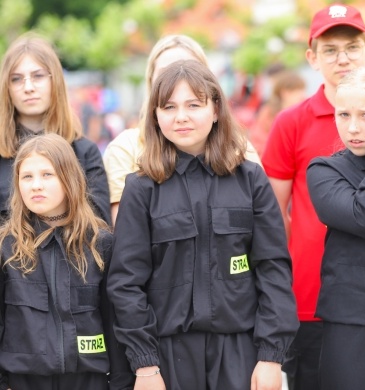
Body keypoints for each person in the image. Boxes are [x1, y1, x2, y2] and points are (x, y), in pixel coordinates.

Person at [107, 59, 299, 390]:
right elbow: (125, 283)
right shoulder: (140, 189)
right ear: (155, 116)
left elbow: (274, 271)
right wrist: (145, 365)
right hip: (166, 358)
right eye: (169, 107)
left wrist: (270, 357)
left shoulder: (250, 180)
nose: (181, 116)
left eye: (193, 105)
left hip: (241, 352)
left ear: (215, 110)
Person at [261, 4, 365, 389]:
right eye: (330, 50)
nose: (342, 58)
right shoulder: (291, 122)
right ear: (312, 58)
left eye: (352, 47)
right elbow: (274, 215)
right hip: (309, 300)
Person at [0, 133, 133, 390]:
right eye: (27, 177)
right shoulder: (6, 247)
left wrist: (121, 382)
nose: (36, 185)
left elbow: (114, 319)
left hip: (89, 379)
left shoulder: (100, 243)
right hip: (22, 381)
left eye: (47, 175)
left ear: (69, 178)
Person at [103, 34, 261, 224]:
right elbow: (125, 233)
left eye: (190, 69)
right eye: (165, 72)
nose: (179, 77)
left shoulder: (239, 148)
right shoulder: (125, 148)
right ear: (151, 82)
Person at [307, 65, 365, 390]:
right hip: (353, 321)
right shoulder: (325, 170)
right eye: (343, 115)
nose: (352, 127)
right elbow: (363, 215)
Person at [0, 32, 111, 225]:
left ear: (55, 81)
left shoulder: (84, 152)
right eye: (17, 79)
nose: (28, 87)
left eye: (38, 76)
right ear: (6, 86)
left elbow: (99, 230)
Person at [249, 69, 306, 157]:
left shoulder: (304, 112)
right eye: (298, 91)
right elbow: (258, 139)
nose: (303, 95)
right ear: (285, 93)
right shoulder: (269, 112)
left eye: (303, 90)